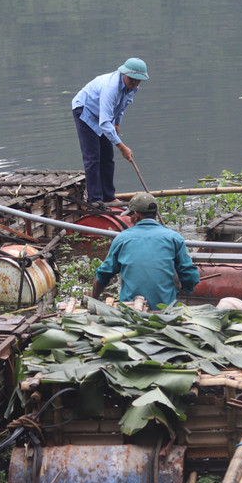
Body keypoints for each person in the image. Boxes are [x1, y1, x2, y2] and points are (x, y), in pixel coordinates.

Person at [91, 192, 200, 309]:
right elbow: (190, 276)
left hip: (130, 310)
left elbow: (102, 276)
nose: (130, 219)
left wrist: (94, 300)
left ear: (136, 215)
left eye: (130, 215)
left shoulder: (122, 238)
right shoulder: (174, 237)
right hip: (165, 310)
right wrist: (183, 290)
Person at [72, 58, 148, 205]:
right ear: (123, 74)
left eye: (138, 81)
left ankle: (108, 196)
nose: (134, 83)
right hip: (85, 110)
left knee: (107, 157)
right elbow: (105, 123)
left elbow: (122, 105)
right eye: (131, 79)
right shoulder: (111, 87)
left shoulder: (133, 88)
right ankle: (95, 200)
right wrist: (122, 147)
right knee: (93, 157)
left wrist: (117, 123)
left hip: (105, 115)